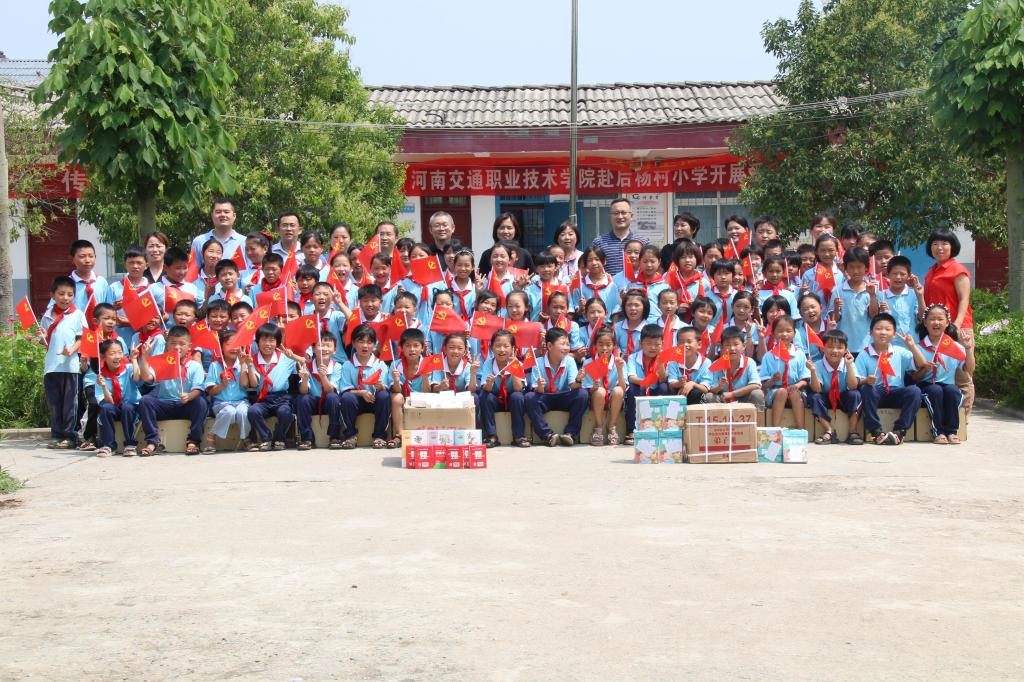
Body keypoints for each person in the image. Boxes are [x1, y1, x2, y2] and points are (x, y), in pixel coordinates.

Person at [923, 228, 975, 417]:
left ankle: (963, 419)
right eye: (935, 244)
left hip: (957, 328)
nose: (939, 247)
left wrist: (957, 325)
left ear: (953, 246)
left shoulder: (958, 270)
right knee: (940, 373)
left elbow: (964, 299)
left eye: (944, 243)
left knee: (962, 375)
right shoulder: (932, 271)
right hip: (937, 327)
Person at [854, 313, 926, 446]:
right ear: (871, 332)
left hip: (896, 391)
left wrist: (912, 346)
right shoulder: (864, 354)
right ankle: (876, 432)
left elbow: (922, 364)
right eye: (878, 329)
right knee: (866, 389)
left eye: (887, 329)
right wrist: (866, 381)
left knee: (914, 391)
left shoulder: (900, 351)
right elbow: (856, 381)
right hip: (875, 393)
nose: (883, 332)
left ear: (894, 334)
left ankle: (899, 431)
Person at [137, 325, 208, 456]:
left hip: (186, 405)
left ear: (189, 346)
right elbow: (146, 378)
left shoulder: (195, 366)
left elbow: (198, 389)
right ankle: (153, 441)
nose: (177, 347)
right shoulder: (162, 362)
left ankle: (193, 441)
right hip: (165, 404)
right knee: (145, 401)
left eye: (182, 344)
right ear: (167, 345)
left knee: (201, 402)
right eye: (173, 343)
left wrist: (189, 396)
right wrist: (145, 358)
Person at [915, 304, 974, 444]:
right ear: (925, 323)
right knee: (936, 390)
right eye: (932, 319)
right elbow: (914, 377)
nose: (936, 322)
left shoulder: (955, 346)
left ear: (947, 323)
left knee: (953, 391)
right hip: (927, 386)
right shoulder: (919, 347)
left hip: (948, 385)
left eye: (940, 319)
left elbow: (969, 369)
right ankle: (938, 432)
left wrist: (968, 348)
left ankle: (952, 431)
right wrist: (925, 369)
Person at [41, 276, 87, 449]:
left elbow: (83, 338)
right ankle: (56, 435)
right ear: (52, 295)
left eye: (70, 294)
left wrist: (72, 349)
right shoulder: (47, 316)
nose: (65, 298)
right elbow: (46, 342)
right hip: (51, 367)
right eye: (61, 294)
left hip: (70, 367)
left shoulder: (77, 314)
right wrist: (42, 338)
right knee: (54, 403)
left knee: (70, 404)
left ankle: (70, 436)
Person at [524, 327, 587, 447]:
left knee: (582, 394)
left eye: (568, 344)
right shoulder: (538, 362)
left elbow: (573, 386)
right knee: (529, 397)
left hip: (564, 396)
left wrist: (578, 380)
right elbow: (536, 390)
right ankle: (547, 435)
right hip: (545, 397)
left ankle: (570, 433)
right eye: (562, 344)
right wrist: (540, 387)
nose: (566, 348)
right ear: (549, 346)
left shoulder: (570, 361)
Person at [242, 324, 298, 451]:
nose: (267, 344)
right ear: (257, 342)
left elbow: (304, 363)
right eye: (264, 340)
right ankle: (265, 438)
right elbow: (254, 384)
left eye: (272, 340)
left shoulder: (285, 358)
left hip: (282, 397)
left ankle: (279, 438)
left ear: (277, 342)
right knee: (253, 411)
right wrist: (249, 366)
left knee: (285, 412)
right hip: (263, 398)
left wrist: (293, 356)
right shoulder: (253, 359)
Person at [337, 324, 391, 449]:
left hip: (374, 400)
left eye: (369, 342)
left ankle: (379, 436)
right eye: (361, 342)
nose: (365, 346)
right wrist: (361, 393)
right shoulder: (347, 365)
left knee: (384, 396)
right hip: (357, 401)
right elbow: (345, 389)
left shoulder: (380, 364)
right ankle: (351, 436)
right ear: (353, 343)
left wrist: (380, 387)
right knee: (346, 398)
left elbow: (385, 388)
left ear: (374, 345)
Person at [809, 329, 863, 445]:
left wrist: (849, 366)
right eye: (830, 347)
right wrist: (813, 371)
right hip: (826, 397)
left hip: (843, 397)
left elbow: (853, 386)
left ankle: (852, 431)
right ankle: (829, 430)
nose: (834, 351)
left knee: (855, 394)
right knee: (814, 397)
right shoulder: (817, 365)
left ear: (846, 350)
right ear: (822, 348)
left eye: (839, 348)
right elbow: (817, 389)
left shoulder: (849, 363)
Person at [477, 329, 528, 448]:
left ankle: (518, 436)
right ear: (491, 348)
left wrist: (514, 367)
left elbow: (518, 388)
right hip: (496, 400)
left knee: (517, 396)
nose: (502, 350)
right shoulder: (488, 363)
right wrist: (489, 383)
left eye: (506, 346)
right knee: (485, 396)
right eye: (498, 346)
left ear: (513, 349)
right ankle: (491, 436)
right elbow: (486, 388)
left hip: (512, 401)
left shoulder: (518, 364)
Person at [759, 315, 811, 431]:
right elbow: (764, 385)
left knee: (794, 392)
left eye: (788, 331)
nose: (784, 334)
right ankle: (775, 429)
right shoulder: (768, 356)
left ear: (794, 333)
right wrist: (772, 380)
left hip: (796, 391)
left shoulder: (799, 354)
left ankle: (800, 429)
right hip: (775, 392)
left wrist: (797, 385)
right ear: (773, 334)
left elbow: (805, 380)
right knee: (782, 391)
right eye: (780, 331)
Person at [93, 340, 144, 457]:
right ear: (103, 357)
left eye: (120, 352)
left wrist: (134, 359)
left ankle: (130, 444)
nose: (117, 357)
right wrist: (104, 387)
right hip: (114, 406)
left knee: (127, 407)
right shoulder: (101, 377)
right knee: (106, 409)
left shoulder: (129, 368)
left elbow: (137, 378)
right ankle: (109, 445)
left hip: (131, 407)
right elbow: (109, 402)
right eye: (112, 353)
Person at [294, 332, 344, 451]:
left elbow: (330, 389)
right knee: (302, 399)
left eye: (328, 346)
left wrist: (323, 377)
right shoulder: (307, 366)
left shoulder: (337, 366)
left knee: (333, 397)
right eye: (320, 345)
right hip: (312, 401)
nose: (324, 349)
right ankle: (307, 438)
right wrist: (305, 380)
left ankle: (334, 436)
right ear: (313, 349)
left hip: (328, 401)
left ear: (334, 350)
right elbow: (303, 391)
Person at [203, 329, 251, 453]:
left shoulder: (243, 363)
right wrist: (222, 385)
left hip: (241, 401)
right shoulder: (215, 365)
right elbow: (210, 391)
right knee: (229, 411)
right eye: (229, 344)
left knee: (242, 411)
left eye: (237, 344)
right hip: (221, 403)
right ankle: (211, 436)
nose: (234, 348)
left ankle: (246, 438)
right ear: (221, 347)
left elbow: (245, 385)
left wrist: (243, 365)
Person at [624, 324, 671, 445]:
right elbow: (631, 378)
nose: (653, 347)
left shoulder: (665, 357)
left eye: (657, 344)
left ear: (662, 344)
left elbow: (662, 379)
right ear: (641, 343)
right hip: (641, 389)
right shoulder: (633, 357)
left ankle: (662, 429)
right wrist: (646, 382)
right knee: (633, 389)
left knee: (664, 387)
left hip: (656, 390)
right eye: (648, 344)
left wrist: (660, 363)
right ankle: (632, 430)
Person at [579, 326, 627, 445]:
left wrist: (619, 370)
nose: (604, 348)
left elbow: (623, 388)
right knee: (600, 391)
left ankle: (612, 427)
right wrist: (593, 388)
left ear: (614, 346)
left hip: (614, 398)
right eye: (600, 344)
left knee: (618, 390)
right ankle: (598, 427)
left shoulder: (619, 362)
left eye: (608, 344)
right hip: (597, 398)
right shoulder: (588, 362)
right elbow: (587, 389)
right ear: (595, 345)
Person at [389, 328, 430, 447]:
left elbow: (428, 393)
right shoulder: (395, 365)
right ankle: (399, 434)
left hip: (423, 398)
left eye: (416, 345)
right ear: (401, 348)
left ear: (422, 348)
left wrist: (425, 378)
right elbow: (396, 390)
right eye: (407, 345)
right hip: (404, 398)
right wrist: (396, 380)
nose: (412, 349)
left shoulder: (428, 363)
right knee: (396, 397)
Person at [591, 198, 648, 276]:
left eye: (623, 213)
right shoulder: (599, 242)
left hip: (637, 283)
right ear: (610, 216)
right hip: (608, 283)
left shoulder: (643, 241)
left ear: (631, 216)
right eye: (616, 213)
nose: (620, 216)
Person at [189, 198, 245, 264]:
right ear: (212, 215)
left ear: (234, 216)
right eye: (218, 212)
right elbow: (193, 269)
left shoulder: (245, 242)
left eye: (226, 212)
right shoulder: (199, 241)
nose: (222, 215)